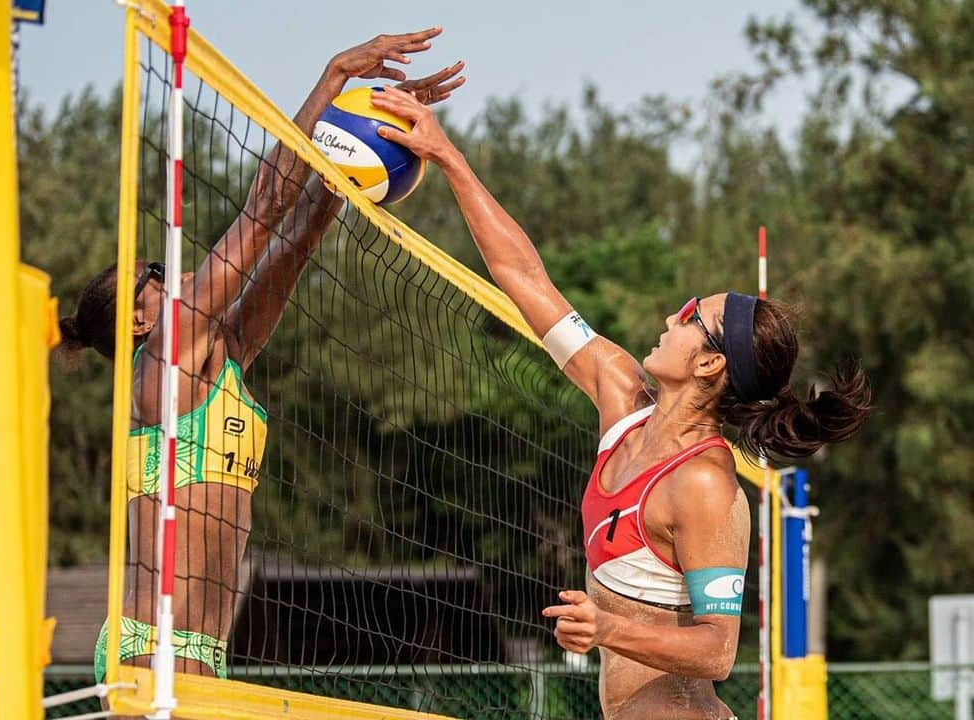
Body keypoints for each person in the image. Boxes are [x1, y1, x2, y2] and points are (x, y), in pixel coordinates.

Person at [370, 87, 870, 720]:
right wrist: (448, 158)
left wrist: (608, 630)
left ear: (711, 363)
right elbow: (525, 277)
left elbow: (717, 653)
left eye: (693, 316)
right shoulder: (620, 395)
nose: (672, 314)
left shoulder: (708, 485)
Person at [55, 35, 465, 685]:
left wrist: (361, 138)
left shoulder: (220, 358)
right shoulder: (166, 361)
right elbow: (266, 207)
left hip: (204, 650)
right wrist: (332, 76)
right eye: (155, 273)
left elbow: (295, 239)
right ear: (138, 318)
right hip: (150, 645)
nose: (175, 268)